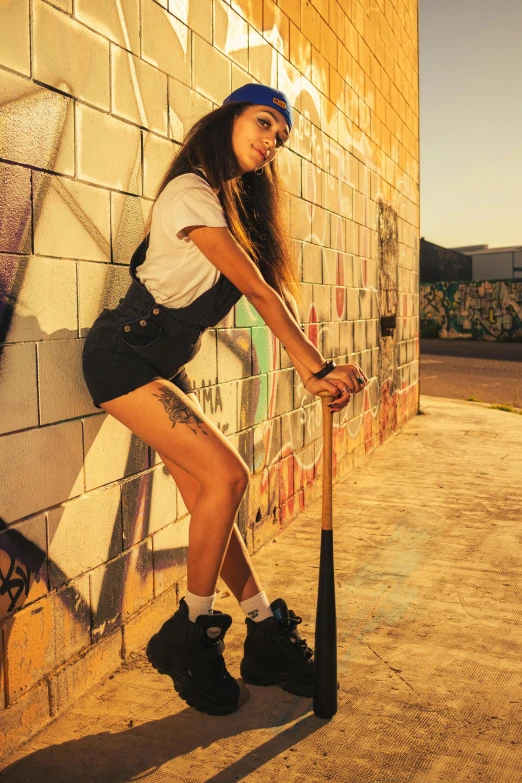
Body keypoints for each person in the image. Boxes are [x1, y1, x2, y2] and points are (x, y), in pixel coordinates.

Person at [82, 83, 367, 716]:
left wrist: (320, 366)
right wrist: (314, 368)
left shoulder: (224, 206)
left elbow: (268, 290)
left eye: (280, 138)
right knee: (228, 477)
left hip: (156, 367)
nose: (271, 142)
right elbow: (260, 292)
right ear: (228, 118)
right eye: (264, 124)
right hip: (122, 360)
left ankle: (263, 630)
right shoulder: (189, 191)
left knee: (213, 497)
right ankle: (191, 634)